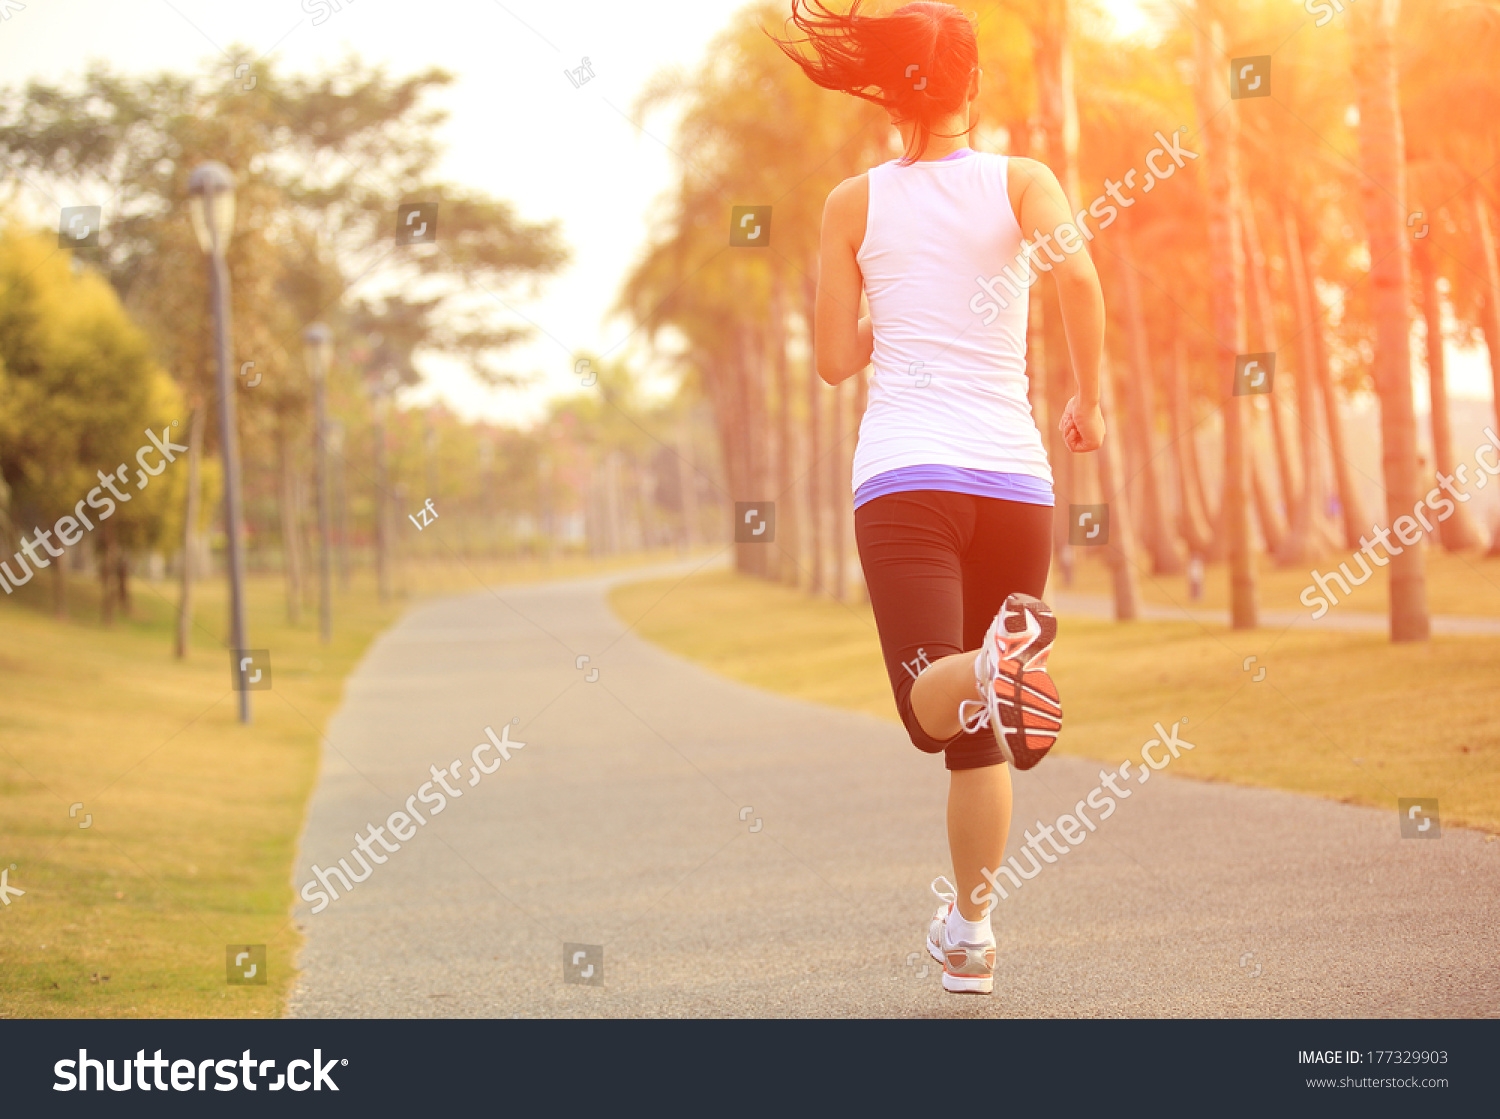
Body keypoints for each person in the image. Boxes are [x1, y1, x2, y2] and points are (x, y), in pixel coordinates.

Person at [773, 0, 1106, 995]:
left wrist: (883, 327)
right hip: (1015, 479)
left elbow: (835, 361)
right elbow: (1081, 279)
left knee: (935, 709)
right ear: (971, 85)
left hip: (909, 479)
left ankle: (994, 660)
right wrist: (1089, 394)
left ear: (886, 89)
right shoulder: (1024, 181)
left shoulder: (853, 203)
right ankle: (969, 932)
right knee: (977, 727)